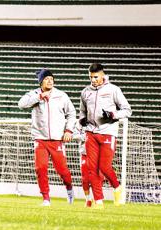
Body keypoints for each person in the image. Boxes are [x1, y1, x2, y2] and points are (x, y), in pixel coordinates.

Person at [18, 69, 75, 207]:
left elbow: (71, 113)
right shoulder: (34, 94)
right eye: (46, 78)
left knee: (63, 171)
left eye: (51, 78)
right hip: (40, 139)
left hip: (57, 140)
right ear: (40, 81)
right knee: (40, 168)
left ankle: (69, 189)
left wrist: (68, 130)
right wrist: (39, 97)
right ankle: (46, 198)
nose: (50, 80)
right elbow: (21, 104)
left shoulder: (61, 95)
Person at [79, 63, 132, 209]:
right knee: (92, 169)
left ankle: (117, 188)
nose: (93, 80)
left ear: (102, 75)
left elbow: (127, 110)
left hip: (108, 132)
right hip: (91, 133)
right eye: (90, 77)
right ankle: (99, 201)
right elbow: (82, 111)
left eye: (95, 77)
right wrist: (81, 119)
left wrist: (113, 115)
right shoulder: (85, 92)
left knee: (104, 167)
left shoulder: (113, 89)